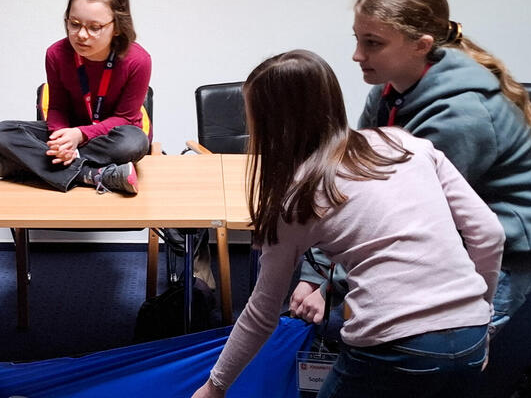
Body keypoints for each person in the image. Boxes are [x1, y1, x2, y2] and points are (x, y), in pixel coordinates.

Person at [191, 50, 504, 398]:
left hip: (393, 343)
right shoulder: (404, 143)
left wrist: (215, 386)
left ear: (269, 123)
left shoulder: (299, 197)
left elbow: (262, 313)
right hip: (471, 332)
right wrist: (483, 317)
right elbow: (489, 234)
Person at [291, 0, 531, 334]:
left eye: (373, 43)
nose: (357, 55)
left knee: (450, 351)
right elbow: (355, 179)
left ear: (421, 45)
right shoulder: (388, 91)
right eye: (357, 39)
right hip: (446, 233)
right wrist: (316, 273)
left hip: (502, 254)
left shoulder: (459, 117)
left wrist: (330, 283)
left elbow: (400, 219)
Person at [0, 0, 151, 194]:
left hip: (110, 137)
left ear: (117, 27)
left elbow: (126, 118)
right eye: (74, 24)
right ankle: (91, 174)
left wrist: (80, 135)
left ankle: (24, 166)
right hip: (69, 133)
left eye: (95, 27)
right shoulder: (56, 54)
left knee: (134, 143)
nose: (81, 35)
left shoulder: (138, 60)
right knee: (3, 132)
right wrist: (61, 140)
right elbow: (58, 108)